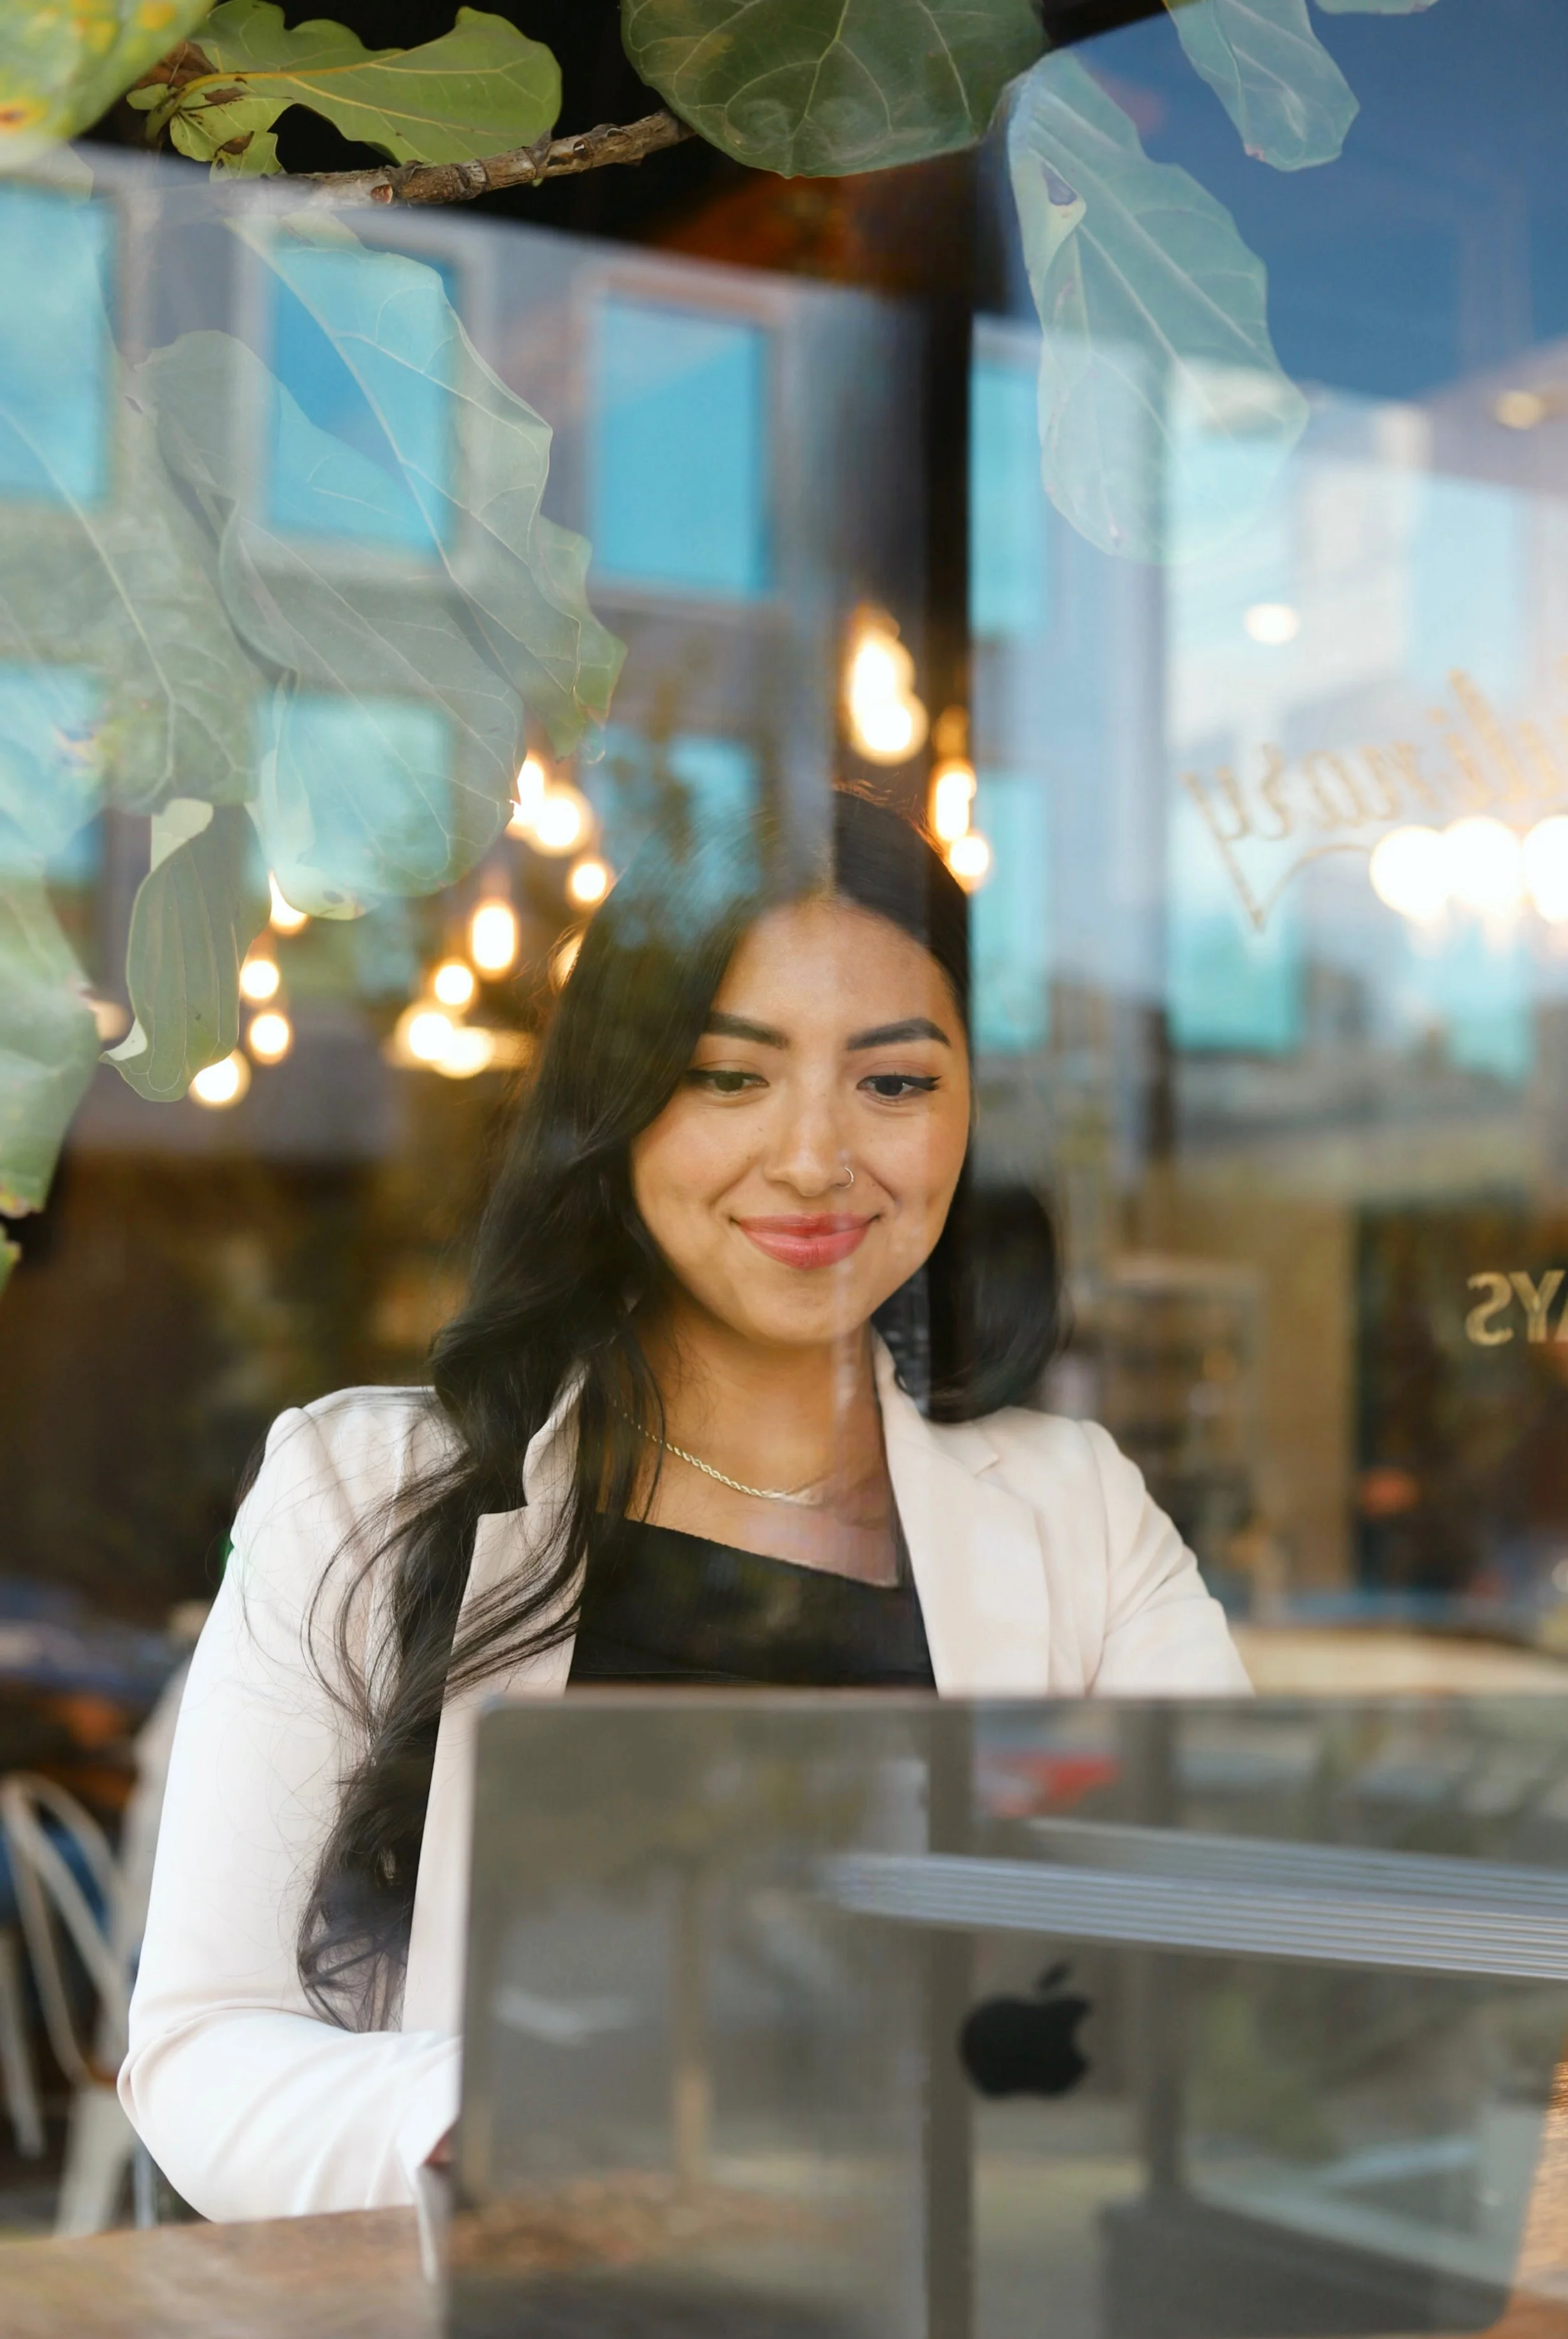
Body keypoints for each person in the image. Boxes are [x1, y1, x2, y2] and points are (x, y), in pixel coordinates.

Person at [119, 786, 1248, 2222]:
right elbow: (204, 2046)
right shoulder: (367, 1490)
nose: (812, 1159)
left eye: (892, 1083)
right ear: (620, 1097)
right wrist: (506, 2111)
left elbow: (1226, 1971)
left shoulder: (1074, 1511)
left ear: (968, 1114)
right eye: (730, 1075)